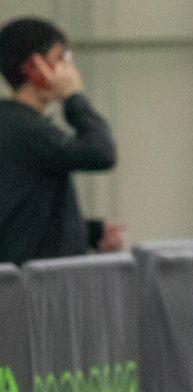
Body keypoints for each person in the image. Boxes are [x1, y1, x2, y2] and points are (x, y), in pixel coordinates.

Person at [0, 17, 122, 266]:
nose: (70, 70)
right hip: (31, 291)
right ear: (34, 67)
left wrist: (92, 232)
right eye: (62, 60)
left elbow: (25, 214)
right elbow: (101, 153)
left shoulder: (17, 125)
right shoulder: (26, 129)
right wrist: (73, 97)